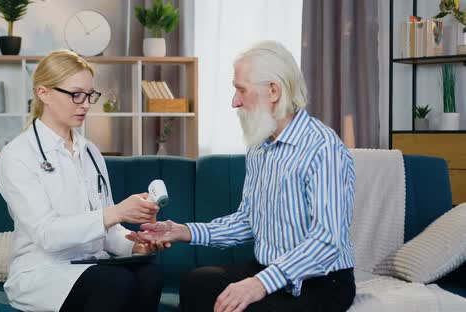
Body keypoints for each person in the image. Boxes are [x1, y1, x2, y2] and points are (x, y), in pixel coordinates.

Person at [127, 41, 357, 312]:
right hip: (268, 271)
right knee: (198, 283)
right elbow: (248, 221)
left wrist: (259, 283)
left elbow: (327, 240)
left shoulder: (323, 148)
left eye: (241, 90)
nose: (234, 101)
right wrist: (182, 231)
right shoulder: (260, 146)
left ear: (273, 90)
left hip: (321, 282)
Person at [0, 49, 167, 312]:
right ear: (44, 93)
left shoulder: (90, 152)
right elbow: (47, 234)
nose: (86, 104)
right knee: (115, 282)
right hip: (42, 272)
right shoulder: (17, 155)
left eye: (90, 95)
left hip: (92, 266)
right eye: (76, 94)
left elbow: (108, 231)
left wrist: (136, 246)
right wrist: (117, 211)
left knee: (149, 273)